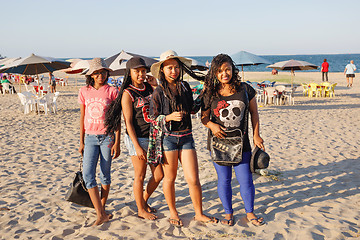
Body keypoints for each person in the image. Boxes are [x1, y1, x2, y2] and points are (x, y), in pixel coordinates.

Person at [149, 50, 218, 227]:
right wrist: (169, 117)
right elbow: (152, 118)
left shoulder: (185, 87)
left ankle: (199, 213)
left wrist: (205, 93)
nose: (174, 71)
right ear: (162, 70)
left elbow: (193, 109)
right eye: (169, 68)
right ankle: (173, 211)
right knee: (169, 178)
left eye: (176, 67)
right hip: (169, 139)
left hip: (187, 137)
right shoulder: (158, 91)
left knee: (193, 179)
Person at [201, 54, 265, 227]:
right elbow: (204, 118)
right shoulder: (210, 93)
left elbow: (254, 113)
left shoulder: (245, 89)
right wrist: (212, 126)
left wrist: (256, 135)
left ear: (232, 69)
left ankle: (250, 212)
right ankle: (228, 213)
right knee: (224, 181)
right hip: (218, 144)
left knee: (246, 180)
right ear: (214, 73)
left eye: (227, 69)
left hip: (241, 143)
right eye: (220, 71)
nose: (224, 74)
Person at [105, 57, 164, 220]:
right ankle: (140, 209)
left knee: (159, 175)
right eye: (136, 71)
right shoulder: (127, 93)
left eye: (143, 71)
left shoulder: (150, 88)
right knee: (140, 175)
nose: (140, 74)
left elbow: (163, 102)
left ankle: (143, 201)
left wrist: (156, 85)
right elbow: (128, 122)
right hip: (137, 138)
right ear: (129, 73)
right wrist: (137, 146)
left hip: (153, 137)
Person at [78, 58, 120, 226]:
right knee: (88, 175)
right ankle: (100, 213)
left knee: (105, 174)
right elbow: (82, 117)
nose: (101, 75)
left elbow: (117, 118)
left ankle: (101, 210)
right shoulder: (84, 91)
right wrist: (81, 141)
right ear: (92, 75)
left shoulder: (112, 91)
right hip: (89, 138)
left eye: (103, 72)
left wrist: (117, 141)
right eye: (97, 73)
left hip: (107, 137)